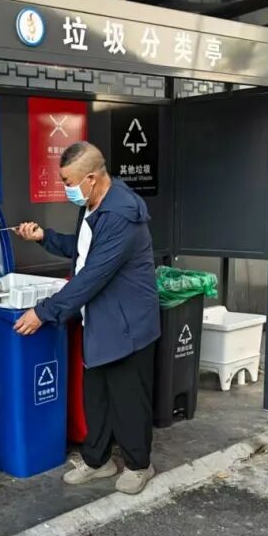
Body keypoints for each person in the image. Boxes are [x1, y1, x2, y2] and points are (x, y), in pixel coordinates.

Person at [13, 141, 160, 495]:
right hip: (101, 320)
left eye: (68, 182)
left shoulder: (121, 215)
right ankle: (98, 461)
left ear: (91, 178)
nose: (66, 188)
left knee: (128, 399)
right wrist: (44, 237)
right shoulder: (94, 205)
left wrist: (43, 312)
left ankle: (139, 465)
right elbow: (82, 251)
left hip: (128, 325)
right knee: (97, 396)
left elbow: (92, 275)